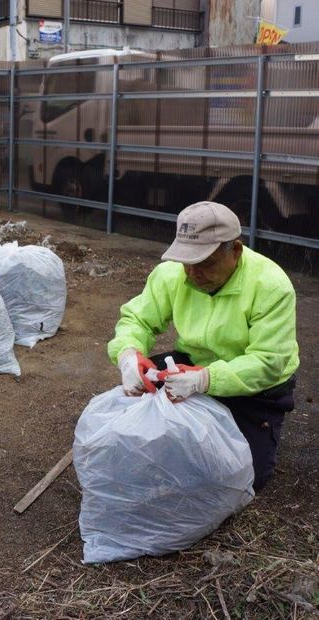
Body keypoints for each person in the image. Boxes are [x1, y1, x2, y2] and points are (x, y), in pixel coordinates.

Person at [108, 201, 299, 491]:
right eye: (187, 262)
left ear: (234, 251)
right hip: (192, 364)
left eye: (205, 263)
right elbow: (138, 319)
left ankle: (259, 427)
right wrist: (127, 354)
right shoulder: (172, 274)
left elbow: (269, 361)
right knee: (138, 429)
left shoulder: (270, 286)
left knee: (243, 474)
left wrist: (206, 379)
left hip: (256, 386)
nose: (193, 273)